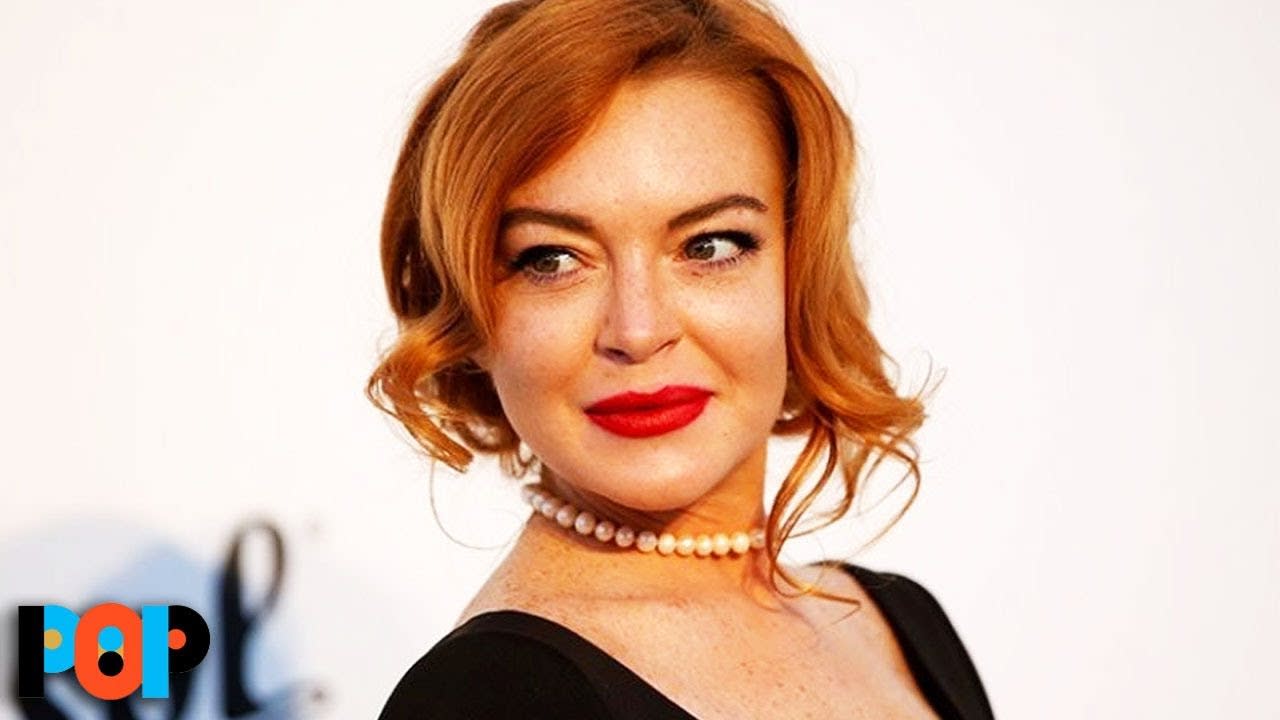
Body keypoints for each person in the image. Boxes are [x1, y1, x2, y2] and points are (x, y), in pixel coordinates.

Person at [369, 0, 994, 717]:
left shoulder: (899, 624)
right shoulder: (487, 699)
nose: (637, 331)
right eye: (551, 259)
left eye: (710, 245)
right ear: (467, 311)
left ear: (800, 270)